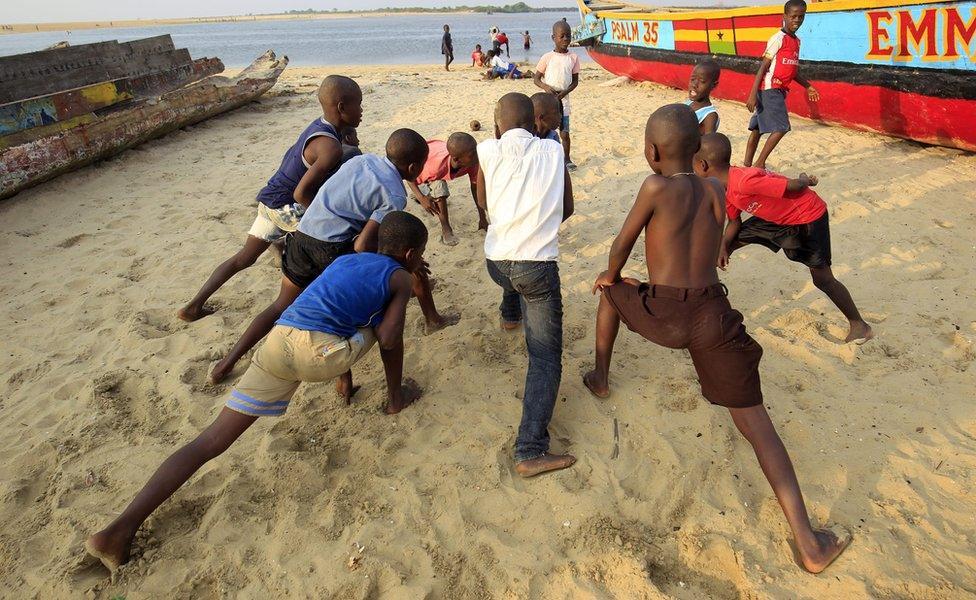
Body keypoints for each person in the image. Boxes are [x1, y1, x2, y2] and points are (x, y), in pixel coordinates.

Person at [583, 104, 851, 574]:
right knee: (759, 427)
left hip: (664, 312)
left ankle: (601, 377)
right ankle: (809, 544)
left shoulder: (653, 186)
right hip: (711, 315)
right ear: (697, 151)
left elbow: (623, 243)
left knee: (611, 293)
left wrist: (611, 274)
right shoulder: (712, 187)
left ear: (651, 151)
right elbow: (723, 230)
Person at [85, 211, 431, 574]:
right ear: (410, 254)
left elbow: (335, 306)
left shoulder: (348, 259)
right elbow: (390, 340)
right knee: (381, 327)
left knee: (209, 442)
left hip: (278, 342)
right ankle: (395, 400)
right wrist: (401, 297)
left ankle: (118, 530)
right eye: (420, 254)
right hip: (321, 355)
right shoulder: (400, 277)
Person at [210, 129, 452, 384]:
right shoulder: (395, 195)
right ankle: (430, 321)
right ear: (414, 167)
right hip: (331, 249)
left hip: (301, 237)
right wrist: (400, 264)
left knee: (280, 305)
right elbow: (362, 245)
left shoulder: (363, 160)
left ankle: (226, 364)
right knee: (396, 276)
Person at [177, 76, 363, 322]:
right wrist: (323, 215)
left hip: (270, 199)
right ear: (341, 107)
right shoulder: (331, 148)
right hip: (287, 207)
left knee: (244, 258)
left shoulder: (320, 127)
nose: (362, 110)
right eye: (359, 104)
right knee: (338, 247)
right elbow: (301, 193)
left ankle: (192, 308)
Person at [476, 92, 575, 478]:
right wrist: (541, 223)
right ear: (535, 122)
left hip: (496, 263)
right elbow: (567, 208)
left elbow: (483, 202)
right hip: (536, 267)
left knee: (513, 270)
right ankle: (530, 448)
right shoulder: (552, 151)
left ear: (498, 124)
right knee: (545, 357)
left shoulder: (487, 149)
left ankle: (508, 314)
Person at [693, 132, 873, 343]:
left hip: (807, 216)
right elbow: (734, 222)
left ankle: (859, 325)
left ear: (703, 165)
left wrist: (804, 179)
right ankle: (701, 293)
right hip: (778, 218)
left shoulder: (743, 181)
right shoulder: (724, 189)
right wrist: (723, 246)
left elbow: (792, 186)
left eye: (692, 166)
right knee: (725, 243)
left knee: (822, 279)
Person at [743, 0, 820, 169]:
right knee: (782, 127)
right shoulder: (778, 39)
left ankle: (746, 166)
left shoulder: (797, 41)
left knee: (757, 129)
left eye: (801, 16)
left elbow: (792, 71)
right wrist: (752, 94)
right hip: (770, 89)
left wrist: (808, 85)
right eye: (793, 16)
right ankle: (759, 164)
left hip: (778, 91)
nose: (797, 20)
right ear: (784, 16)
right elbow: (763, 67)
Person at [407, 133, 483, 244]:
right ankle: (446, 229)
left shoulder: (473, 161)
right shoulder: (436, 167)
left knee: (436, 184)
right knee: (439, 186)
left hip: (437, 148)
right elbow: (410, 178)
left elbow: (475, 186)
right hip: (425, 160)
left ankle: (426, 192)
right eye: (473, 153)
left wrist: (483, 218)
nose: (477, 154)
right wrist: (422, 198)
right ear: (457, 159)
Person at [534, 21, 580, 170]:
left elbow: (575, 82)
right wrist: (546, 87)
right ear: (553, 37)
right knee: (543, 129)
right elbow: (536, 79)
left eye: (569, 36)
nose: (566, 39)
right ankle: (542, 157)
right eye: (562, 36)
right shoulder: (547, 57)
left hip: (563, 100)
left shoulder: (573, 57)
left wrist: (565, 92)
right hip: (547, 102)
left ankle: (566, 159)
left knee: (564, 132)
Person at [685, 59, 721, 134]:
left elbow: (709, 143)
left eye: (702, 81)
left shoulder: (709, 116)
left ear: (714, 85)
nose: (694, 85)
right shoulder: (688, 103)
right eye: (692, 79)